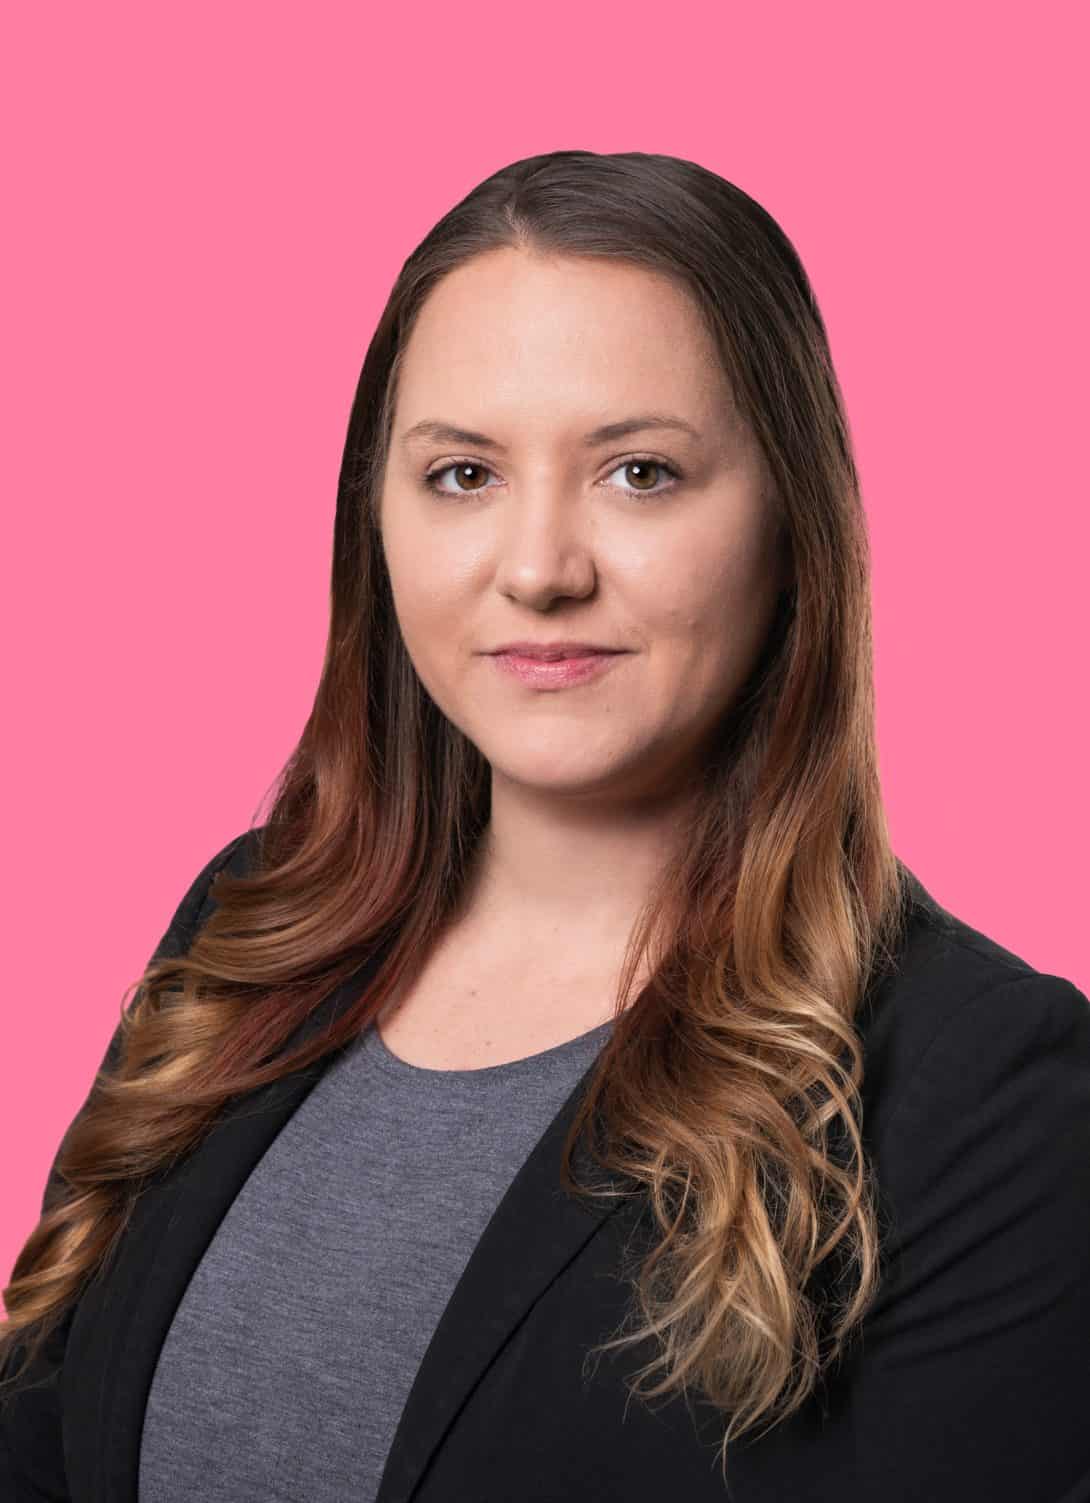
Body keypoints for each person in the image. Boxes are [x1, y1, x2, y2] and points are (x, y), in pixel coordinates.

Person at [2, 149, 1087, 1503]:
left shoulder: (984, 1097)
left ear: (788, 520)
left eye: (639, 472)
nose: (537, 570)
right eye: (462, 475)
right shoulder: (251, 934)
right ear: (375, 523)